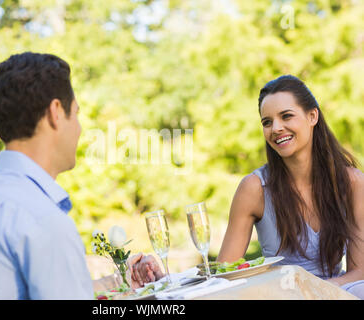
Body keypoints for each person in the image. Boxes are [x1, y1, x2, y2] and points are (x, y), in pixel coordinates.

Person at [0, 52, 143, 299]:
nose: (79, 129)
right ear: (55, 112)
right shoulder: (41, 219)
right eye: (76, 114)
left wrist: (116, 281)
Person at [132, 75, 364, 299]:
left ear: (312, 116)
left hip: (333, 294)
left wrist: (310, 291)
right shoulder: (254, 188)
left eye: (286, 116)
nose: (276, 128)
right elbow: (223, 275)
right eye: (267, 122)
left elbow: (359, 271)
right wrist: (164, 280)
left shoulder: (351, 183)